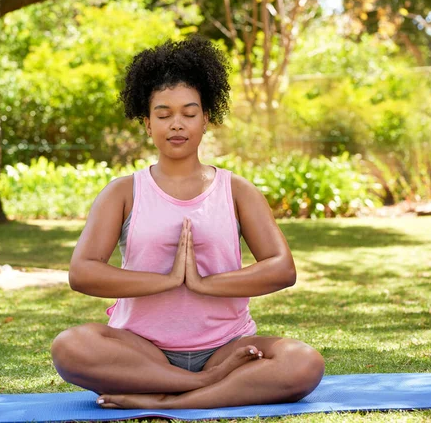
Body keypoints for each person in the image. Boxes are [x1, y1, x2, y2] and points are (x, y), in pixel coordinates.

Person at [51, 36, 325, 410]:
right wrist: (166, 281)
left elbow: (283, 269)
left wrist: (203, 284)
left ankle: (170, 400)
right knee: (69, 347)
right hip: (142, 351)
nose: (176, 125)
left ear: (206, 119)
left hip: (226, 348)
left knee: (304, 362)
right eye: (163, 115)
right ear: (147, 123)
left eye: (189, 113)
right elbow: (82, 272)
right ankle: (203, 386)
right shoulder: (122, 192)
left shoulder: (237, 190)